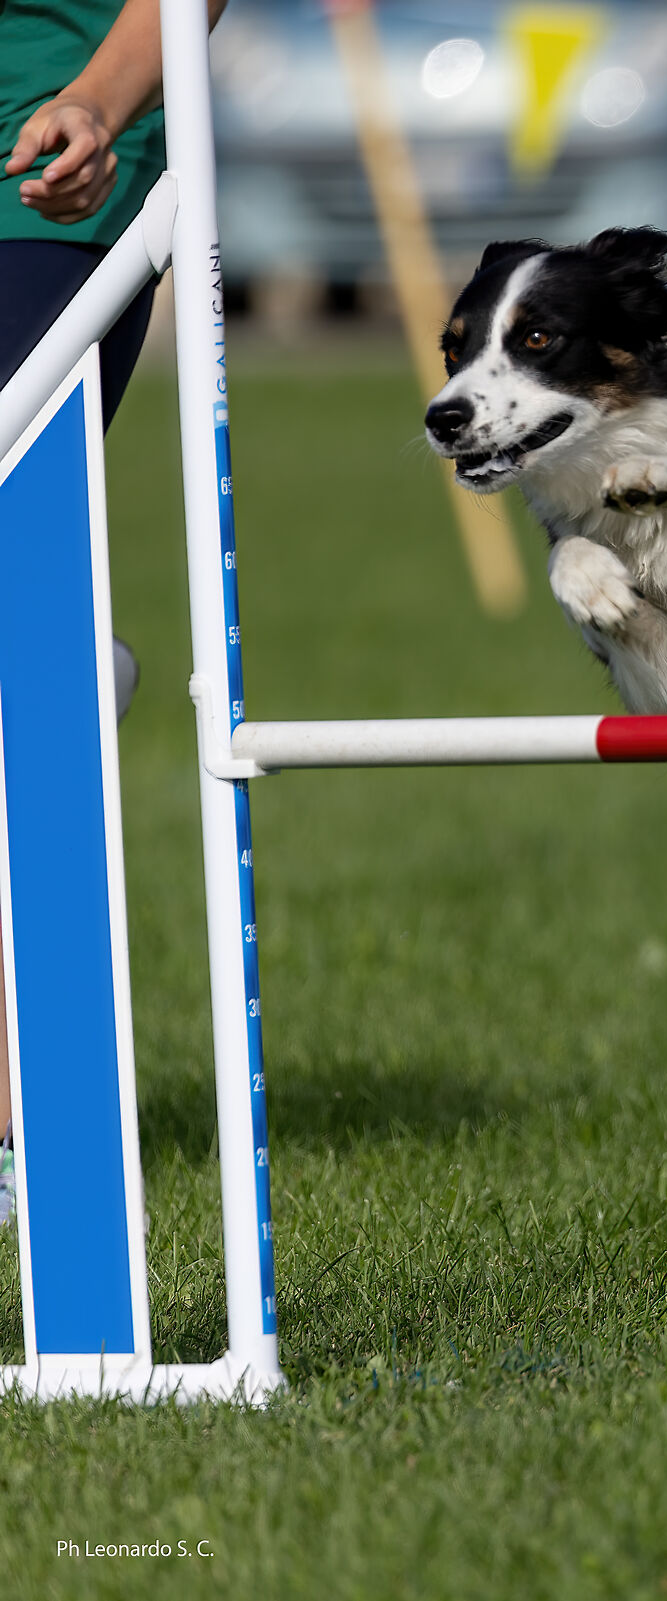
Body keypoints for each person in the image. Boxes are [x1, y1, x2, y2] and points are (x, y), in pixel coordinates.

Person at [0, 0, 225, 1226]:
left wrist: (101, 98)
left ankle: (26, 1145)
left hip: (39, 170)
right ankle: (49, 668)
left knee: (7, 656)